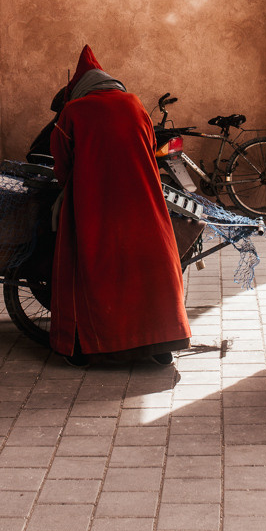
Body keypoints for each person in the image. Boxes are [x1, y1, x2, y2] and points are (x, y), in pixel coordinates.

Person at [49, 45, 191, 366]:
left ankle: (89, 345)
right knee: (151, 264)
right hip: (143, 199)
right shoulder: (135, 103)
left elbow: (62, 163)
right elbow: (151, 146)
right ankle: (162, 340)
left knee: (88, 266)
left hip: (93, 202)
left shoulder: (73, 112)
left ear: (81, 88)